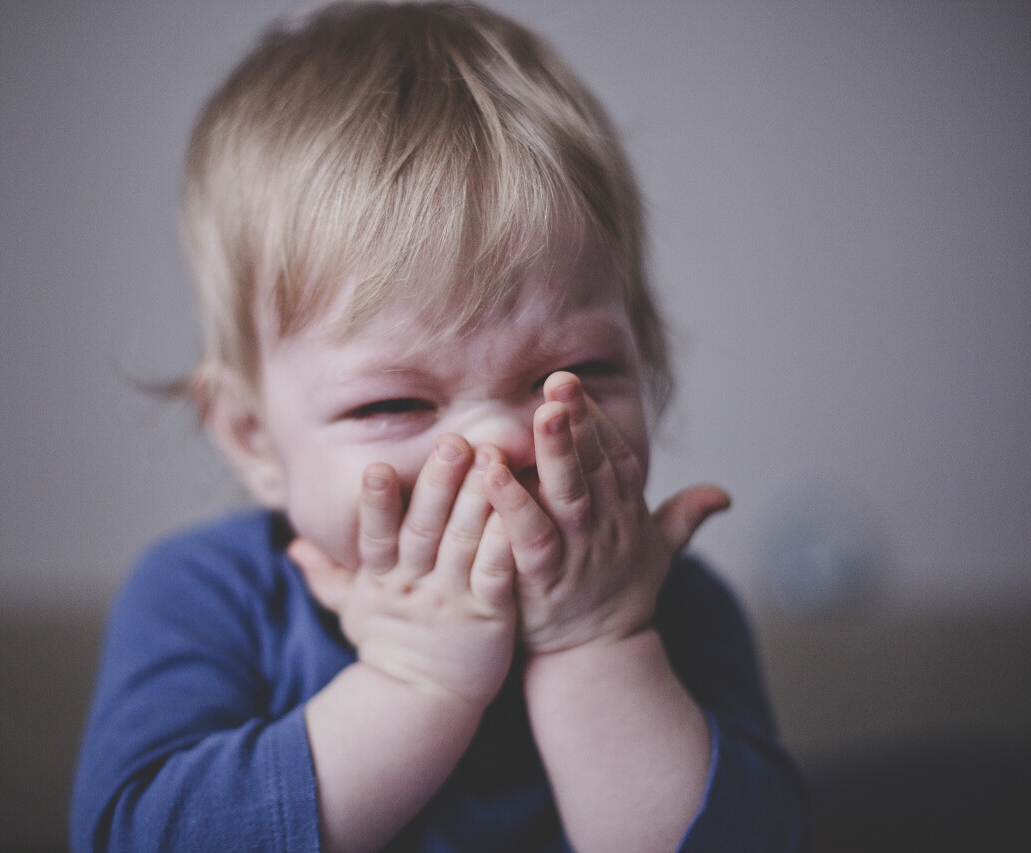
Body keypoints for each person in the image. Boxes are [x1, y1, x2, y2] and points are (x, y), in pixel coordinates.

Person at [71, 2, 807, 851]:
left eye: (577, 375)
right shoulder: (207, 595)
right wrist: (414, 680)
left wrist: (598, 646)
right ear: (250, 438)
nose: (503, 442)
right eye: (394, 403)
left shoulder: (669, 602)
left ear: (647, 363)